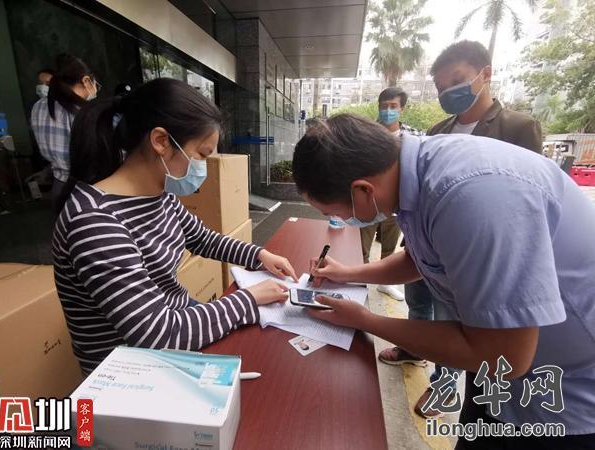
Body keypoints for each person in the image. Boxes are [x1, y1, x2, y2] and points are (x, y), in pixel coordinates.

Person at [292, 114, 595, 449]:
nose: (338, 220)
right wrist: (346, 273)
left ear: (363, 190)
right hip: (497, 376)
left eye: (332, 212)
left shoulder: (470, 196)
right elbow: (420, 258)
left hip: (564, 397)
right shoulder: (412, 175)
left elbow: (503, 355)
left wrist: (366, 320)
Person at [53, 78, 296, 374]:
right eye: (202, 155)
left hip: (176, 327)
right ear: (161, 141)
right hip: (132, 369)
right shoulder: (95, 221)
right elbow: (158, 335)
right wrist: (249, 299)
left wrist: (259, 255)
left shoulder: (160, 195)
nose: (203, 168)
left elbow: (203, 239)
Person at [379, 40, 544, 419]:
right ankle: (413, 349)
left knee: (454, 320)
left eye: (456, 81)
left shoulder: (517, 127)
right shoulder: (439, 129)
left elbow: (529, 200)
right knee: (418, 300)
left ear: (485, 74)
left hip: (475, 252)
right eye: (440, 88)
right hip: (428, 242)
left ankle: (443, 385)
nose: (447, 93)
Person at [360, 87, 423, 302]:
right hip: (368, 203)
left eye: (393, 106)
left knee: (390, 246)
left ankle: (385, 285)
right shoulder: (366, 135)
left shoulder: (414, 137)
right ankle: (359, 285)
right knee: (361, 246)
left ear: (402, 109)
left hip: (400, 203)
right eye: (384, 106)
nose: (388, 110)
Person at [31, 54, 100, 202]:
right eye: (96, 84)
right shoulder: (83, 111)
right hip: (86, 188)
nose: (96, 89)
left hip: (59, 186)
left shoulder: (38, 106)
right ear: (86, 81)